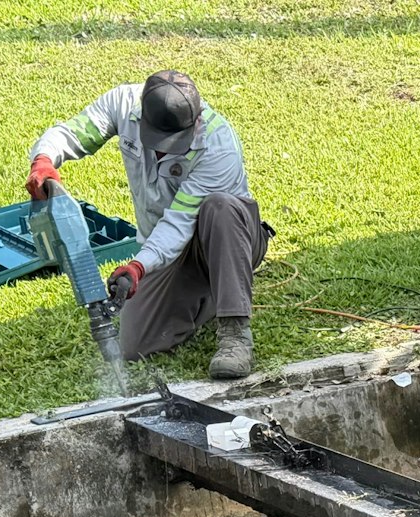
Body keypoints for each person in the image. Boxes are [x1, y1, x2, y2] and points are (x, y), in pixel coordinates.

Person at [26, 71, 269, 379]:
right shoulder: (123, 103)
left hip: (231, 236)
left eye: (176, 142)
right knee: (134, 344)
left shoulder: (217, 144)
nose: (167, 150)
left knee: (218, 207)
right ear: (141, 118)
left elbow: (179, 223)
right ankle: (214, 294)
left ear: (195, 122)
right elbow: (72, 133)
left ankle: (235, 332)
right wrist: (44, 160)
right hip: (170, 250)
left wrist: (138, 266)